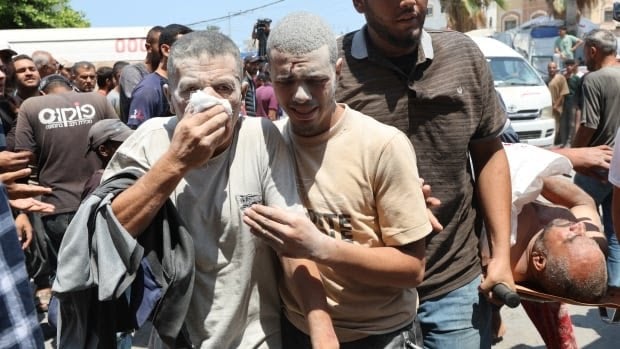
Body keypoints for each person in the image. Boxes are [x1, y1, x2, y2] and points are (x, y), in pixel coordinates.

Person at [85, 30, 306, 347]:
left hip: (255, 336)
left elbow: (291, 239)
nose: (206, 100)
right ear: (169, 94)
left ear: (242, 93)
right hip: (170, 334)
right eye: (190, 90)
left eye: (223, 88)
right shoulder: (150, 140)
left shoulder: (260, 135)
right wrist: (177, 161)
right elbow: (108, 235)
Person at [242, 12, 431, 348]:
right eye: (285, 81)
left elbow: (411, 269)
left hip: (380, 335)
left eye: (315, 80)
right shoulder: (269, 145)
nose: (300, 96)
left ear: (338, 72)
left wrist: (322, 247)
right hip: (297, 330)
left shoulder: (381, 145)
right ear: (269, 77)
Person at [336, 1, 514, 347]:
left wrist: (502, 257)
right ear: (358, 3)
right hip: (368, 290)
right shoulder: (335, 68)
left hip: (455, 282)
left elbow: (489, 152)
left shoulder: (463, 55)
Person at [14, 73, 118, 311]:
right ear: (72, 88)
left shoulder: (31, 106)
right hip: (104, 199)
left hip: (56, 205)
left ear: (43, 92)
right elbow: (120, 139)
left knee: (69, 280)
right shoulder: (97, 100)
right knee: (110, 277)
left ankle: (75, 334)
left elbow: (23, 157)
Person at [572, 28, 620, 289]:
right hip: (617, 168)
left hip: (596, 165)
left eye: (584, 53)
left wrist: (572, 155)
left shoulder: (594, 79)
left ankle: (585, 286)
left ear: (593, 50)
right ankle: (614, 294)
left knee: (575, 223)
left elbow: (588, 124)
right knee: (615, 233)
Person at [127, 24, 192, 129]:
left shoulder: (183, 85)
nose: (192, 53)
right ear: (166, 50)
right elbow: (137, 135)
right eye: (185, 48)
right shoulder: (147, 90)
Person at [118, 25, 163, 123]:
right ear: (148, 47)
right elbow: (140, 108)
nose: (165, 50)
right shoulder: (133, 72)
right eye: (161, 46)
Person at [81, 119, 133, 199]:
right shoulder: (99, 181)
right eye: (123, 142)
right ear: (103, 150)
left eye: (131, 140)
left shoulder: (131, 170)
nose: (130, 145)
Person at [547, 61, 569, 146]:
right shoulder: (546, 79)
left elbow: (563, 93)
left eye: (553, 67)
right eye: (550, 68)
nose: (551, 69)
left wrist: (556, 105)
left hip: (558, 107)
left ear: (556, 69)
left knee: (558, 126)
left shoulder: (560, 78)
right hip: (549, 107)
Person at [560, 58, 580, 146]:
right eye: (567, 65)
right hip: (563, 102)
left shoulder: (576, 78)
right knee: (563, 122)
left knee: (571, 123)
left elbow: (579, 91)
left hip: (573, 103)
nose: (569, 67)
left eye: (571, 65)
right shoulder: (563, 77)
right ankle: (563, 141)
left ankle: (569, 141)